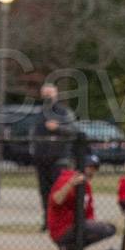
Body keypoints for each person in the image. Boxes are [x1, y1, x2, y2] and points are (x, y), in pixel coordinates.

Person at [48, 154, 116, 250]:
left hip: (78, 226)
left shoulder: (86, 186)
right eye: (89, 167)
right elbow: (56, 200)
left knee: (109, 228)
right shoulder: (67, 179)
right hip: (62, 230)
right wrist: (70, 184)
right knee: (102, 228)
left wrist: (93, 224)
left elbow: (89, 214)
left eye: (94, 168)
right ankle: (70, 248)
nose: (91, 171)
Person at [32, 83, 77, 229]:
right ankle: (47, 220)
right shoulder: (38, 113)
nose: (47, 98)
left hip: (59, 159)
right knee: (44, 191)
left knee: (58, 191)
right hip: (41, 159)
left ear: (56, 95)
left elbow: (73, 131)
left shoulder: (64, 112)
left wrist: (58, 128)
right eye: (45, 95)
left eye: (50, 94)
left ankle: (60, 221)